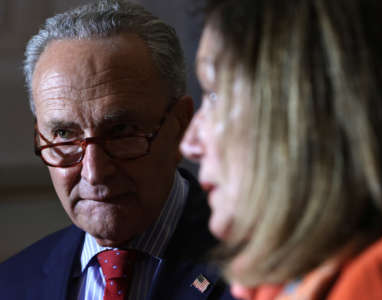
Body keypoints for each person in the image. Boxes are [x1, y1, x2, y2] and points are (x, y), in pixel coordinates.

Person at [0, 1, 235, 300]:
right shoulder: (11, 285)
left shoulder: (265, 267)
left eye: (121, 131)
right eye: (63, 134)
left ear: (180, 126)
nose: (94, 172)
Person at [180, 0, 382, 299]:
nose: (189, 144)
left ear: (302, 110)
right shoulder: (286, 279)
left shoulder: (378, 282)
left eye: (215, 95)